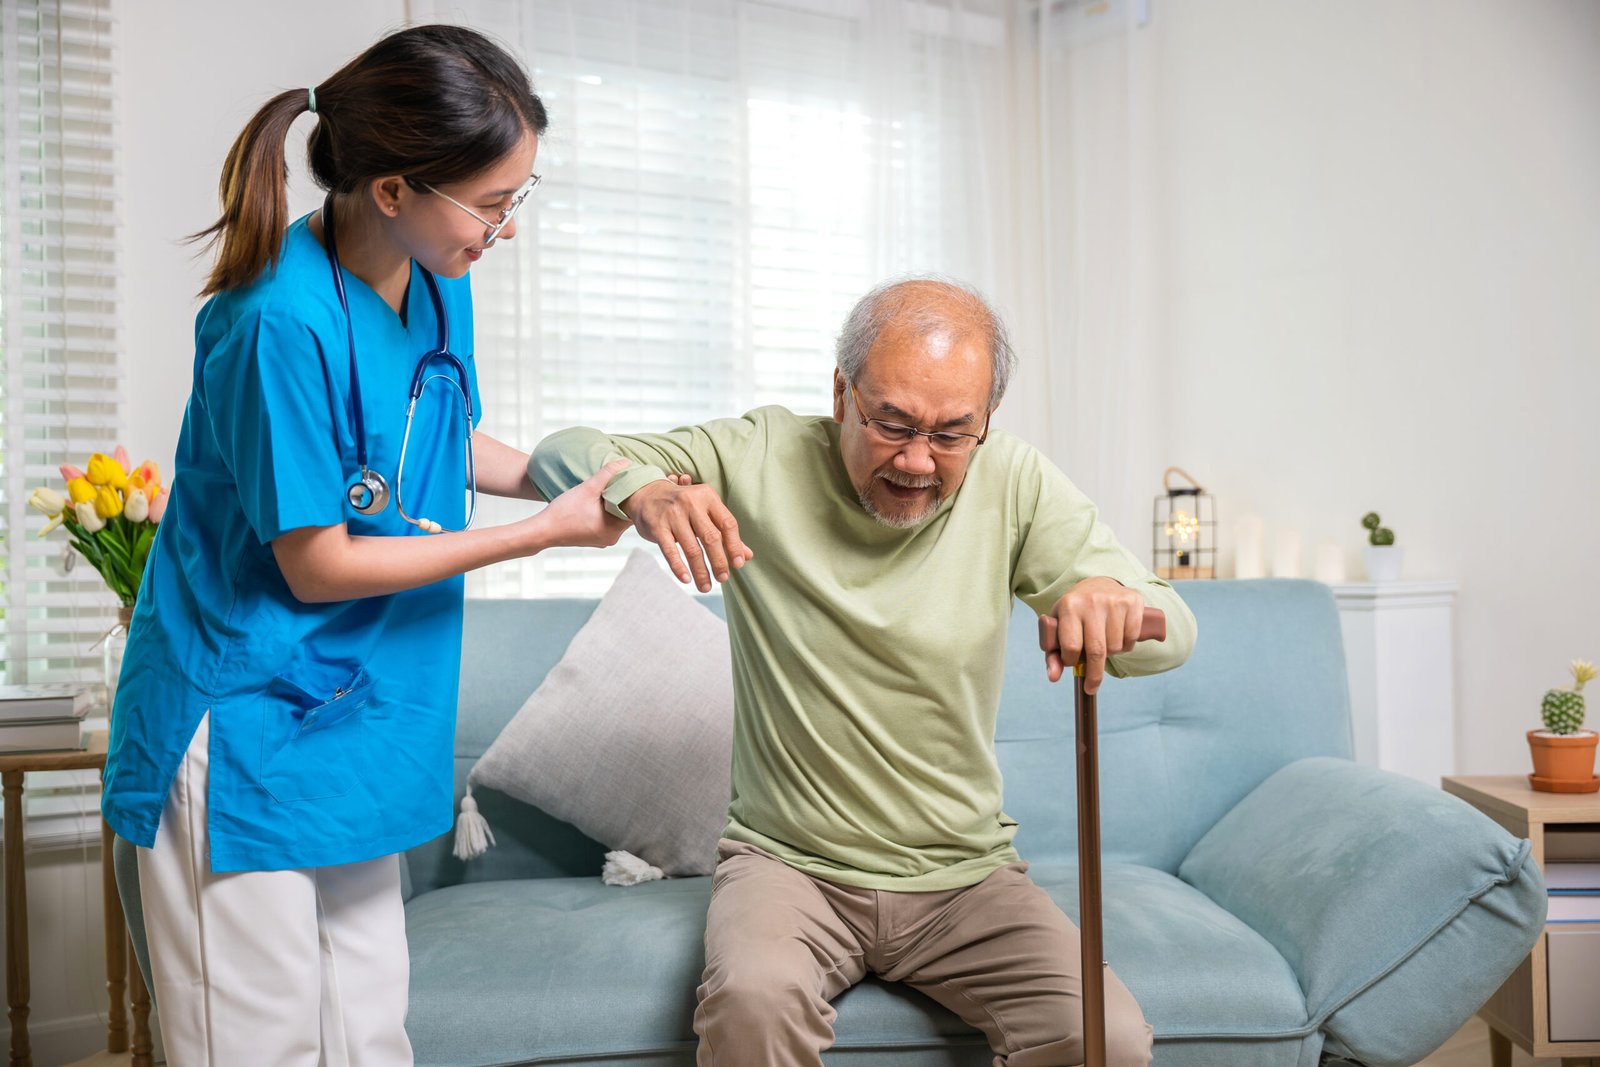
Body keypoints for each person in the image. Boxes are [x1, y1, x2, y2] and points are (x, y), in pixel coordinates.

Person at [101, 25, 634, 1066]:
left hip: (361, 715)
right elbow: (318, 560)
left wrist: (561, 479)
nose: (504, 228)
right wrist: (535, 537)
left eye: (517, 198)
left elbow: (425, 431)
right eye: (490, 202)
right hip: (248, 718)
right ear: (392, 189)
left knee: (367, 1036)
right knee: (259, 1043)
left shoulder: (439, 276)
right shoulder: (272, 321)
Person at [530, 277, 1198, 1067]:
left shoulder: (1014, 481)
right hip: (789, 867)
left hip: (964, 876)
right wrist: (642, 491)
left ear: (986, 421)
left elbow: (1172, 631)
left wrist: (1109, 601)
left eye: (954, 432)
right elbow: (561, 452)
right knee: (752, 1003)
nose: (919, 460)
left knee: (1107, 1038)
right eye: (894, 422)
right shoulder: (761, 454)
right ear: (842, 393)